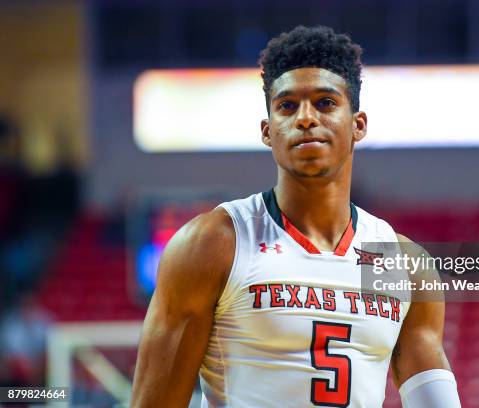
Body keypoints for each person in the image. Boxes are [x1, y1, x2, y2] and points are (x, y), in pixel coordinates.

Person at [131, 26, 461, 408]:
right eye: (288, 106)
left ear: (358, 125)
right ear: (268, 131)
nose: (306, 118)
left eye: (325, 102)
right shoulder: (215, 243)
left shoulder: (396, 261)